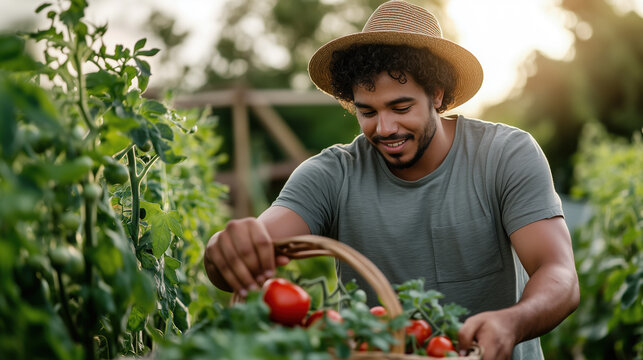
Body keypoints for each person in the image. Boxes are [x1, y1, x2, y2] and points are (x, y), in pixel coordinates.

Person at [203, 1, 580, 359]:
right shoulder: (332, 174)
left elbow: (559, 273)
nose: (384, 128)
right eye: (367, 111)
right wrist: (225, 249)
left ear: (437, 94)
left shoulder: (505, 155)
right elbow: (251, 248)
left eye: (401, 107)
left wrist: (512, 323)